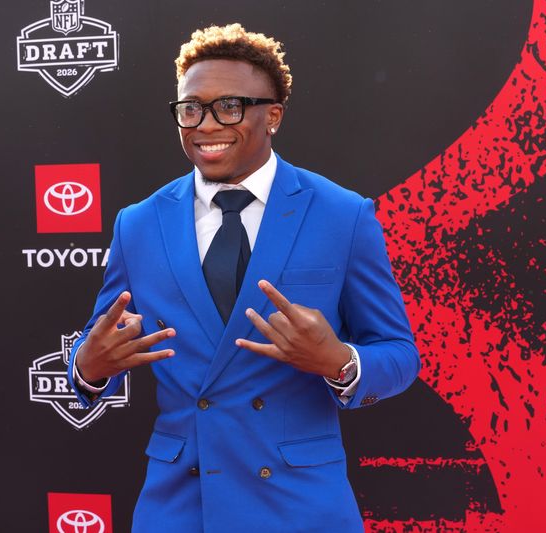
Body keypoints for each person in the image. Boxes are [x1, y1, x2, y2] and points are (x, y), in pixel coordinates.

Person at [67, 23, 420, 533]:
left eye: (228, 106)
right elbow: (102, 339)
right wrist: (90, 367)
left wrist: (339, 361)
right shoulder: (139, 222)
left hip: (298, 504)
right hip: (182, 505)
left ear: (272, 115)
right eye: (191, 109)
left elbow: (399, 353)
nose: (206, 124)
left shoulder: (342, 215)